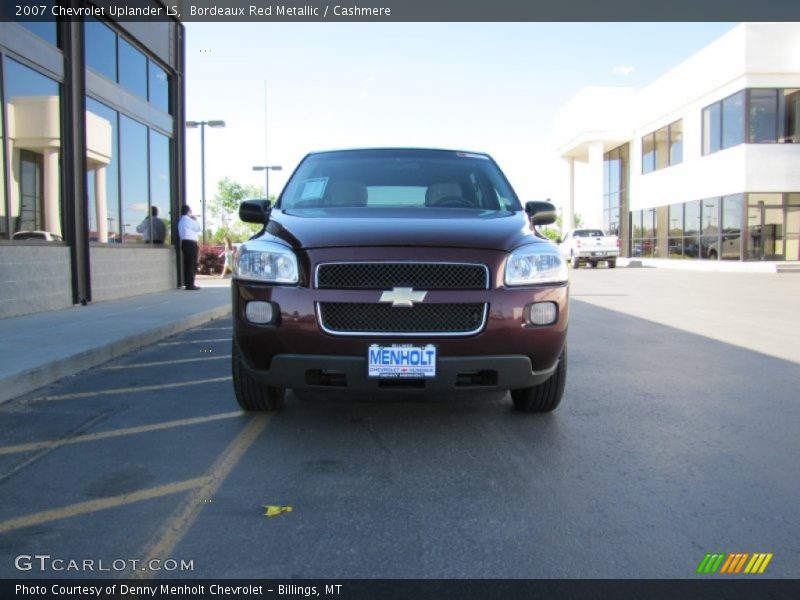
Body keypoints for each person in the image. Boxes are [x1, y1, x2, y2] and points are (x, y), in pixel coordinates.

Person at [178, 204, 202, 290]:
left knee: (187, 264)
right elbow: (199, 228)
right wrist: (195, 219)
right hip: (191, 243)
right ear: (188, 211)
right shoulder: (189, 220)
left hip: (184, 243)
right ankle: (191, 284)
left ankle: (188, 283)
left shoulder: (181, 221)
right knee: (192, 264)